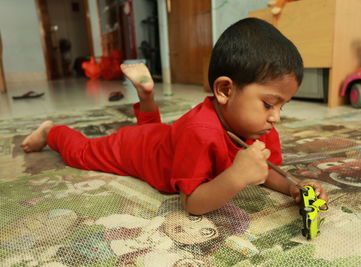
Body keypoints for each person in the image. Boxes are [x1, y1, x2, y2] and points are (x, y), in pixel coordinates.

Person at [21, 18, 328, 215]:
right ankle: (52, 132)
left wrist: (293, 187)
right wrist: (235, 177)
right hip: (137, 149)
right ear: (225, 90)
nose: (276, 118)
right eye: (268, 104)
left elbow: (266, 171)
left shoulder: (261, 128)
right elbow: (192, 203)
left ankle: (147, 98)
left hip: (167, 142)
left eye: (282, 107)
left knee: (161, 137)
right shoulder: (200, 131)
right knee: (83, 153)